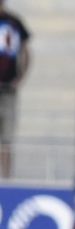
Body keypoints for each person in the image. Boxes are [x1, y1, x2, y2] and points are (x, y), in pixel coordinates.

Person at [0, 0, 30, 179]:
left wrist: (21, 77)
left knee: (6, 140)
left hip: (8, 89)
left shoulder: (14, 22)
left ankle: (6, 178)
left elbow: (26, 50)